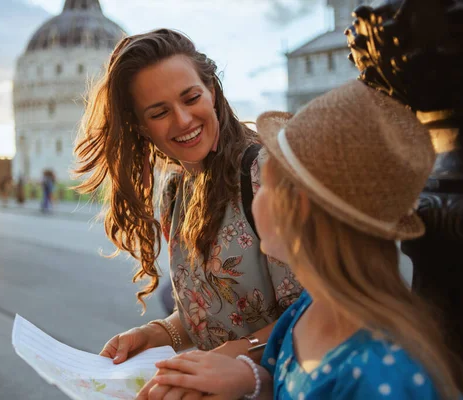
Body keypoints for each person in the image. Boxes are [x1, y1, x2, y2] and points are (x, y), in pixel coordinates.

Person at [145, 81, 463, 399]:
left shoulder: (380, 373)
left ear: (297, 209)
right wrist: (249, 379)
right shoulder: (308, 308)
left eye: (267, 184)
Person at [73, 28, 302, 396]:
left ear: (212, 90)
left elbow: (317, 310)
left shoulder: (266, 173)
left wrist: (234, 358)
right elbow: (215, 312)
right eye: (159, 112)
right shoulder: (175, 191)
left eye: (191, 97)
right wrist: (156, 334)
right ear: (140, 127)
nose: (182, 120)